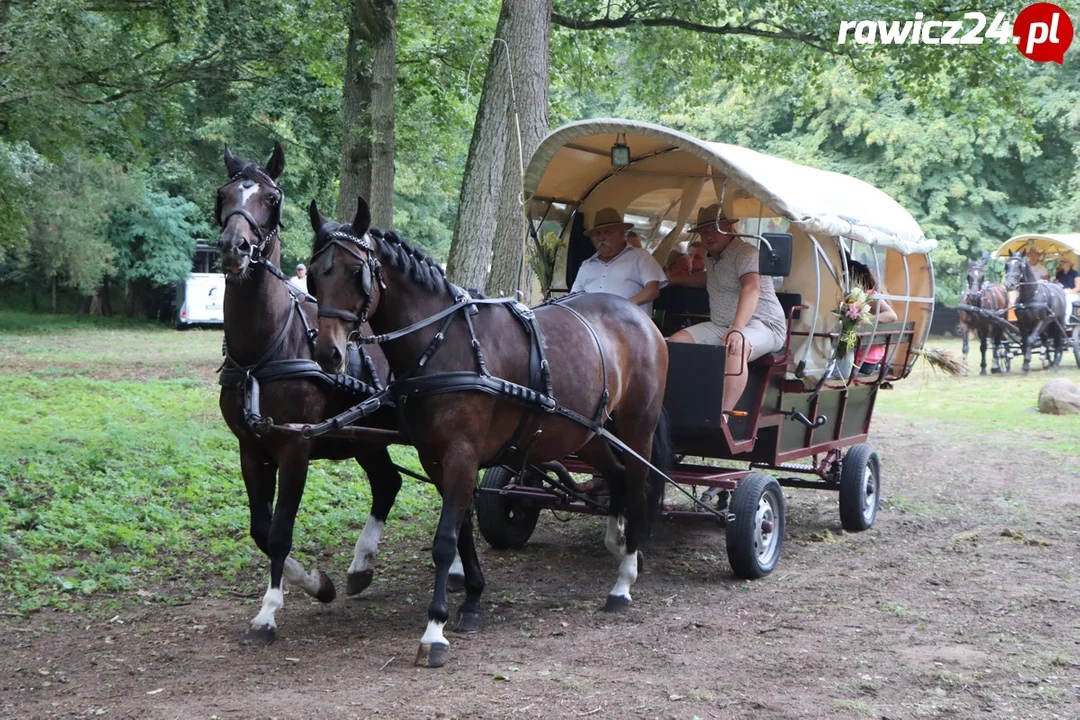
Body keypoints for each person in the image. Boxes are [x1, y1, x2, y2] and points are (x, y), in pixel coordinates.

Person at [667, 204, 787, 413]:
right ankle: (683, 407)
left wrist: (737, 328)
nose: (709, 236)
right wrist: (674, 280)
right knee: (677, 343)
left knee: (735, 346)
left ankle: (721, 416)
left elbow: (752, 287)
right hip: (722, 324)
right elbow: (708, 278)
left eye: (715, 229)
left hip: (764, 325)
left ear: (729, 229)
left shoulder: (746, 253)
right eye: (704, 232)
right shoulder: (713, 258)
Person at [571, 207, 667, 314]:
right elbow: (573, 297)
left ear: (622, 233)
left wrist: (621, 307)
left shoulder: (641, 257)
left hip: (629, 326)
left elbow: (652, 291)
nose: (601, 238)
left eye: (607, 232)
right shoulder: (587, 265)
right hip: (592, 325)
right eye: (598, 233)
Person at [846, 257, 898, 376]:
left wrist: (864, 320)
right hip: (868, 356)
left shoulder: (868, 295)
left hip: (864, 359)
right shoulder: (856, 297)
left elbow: (892, 315)